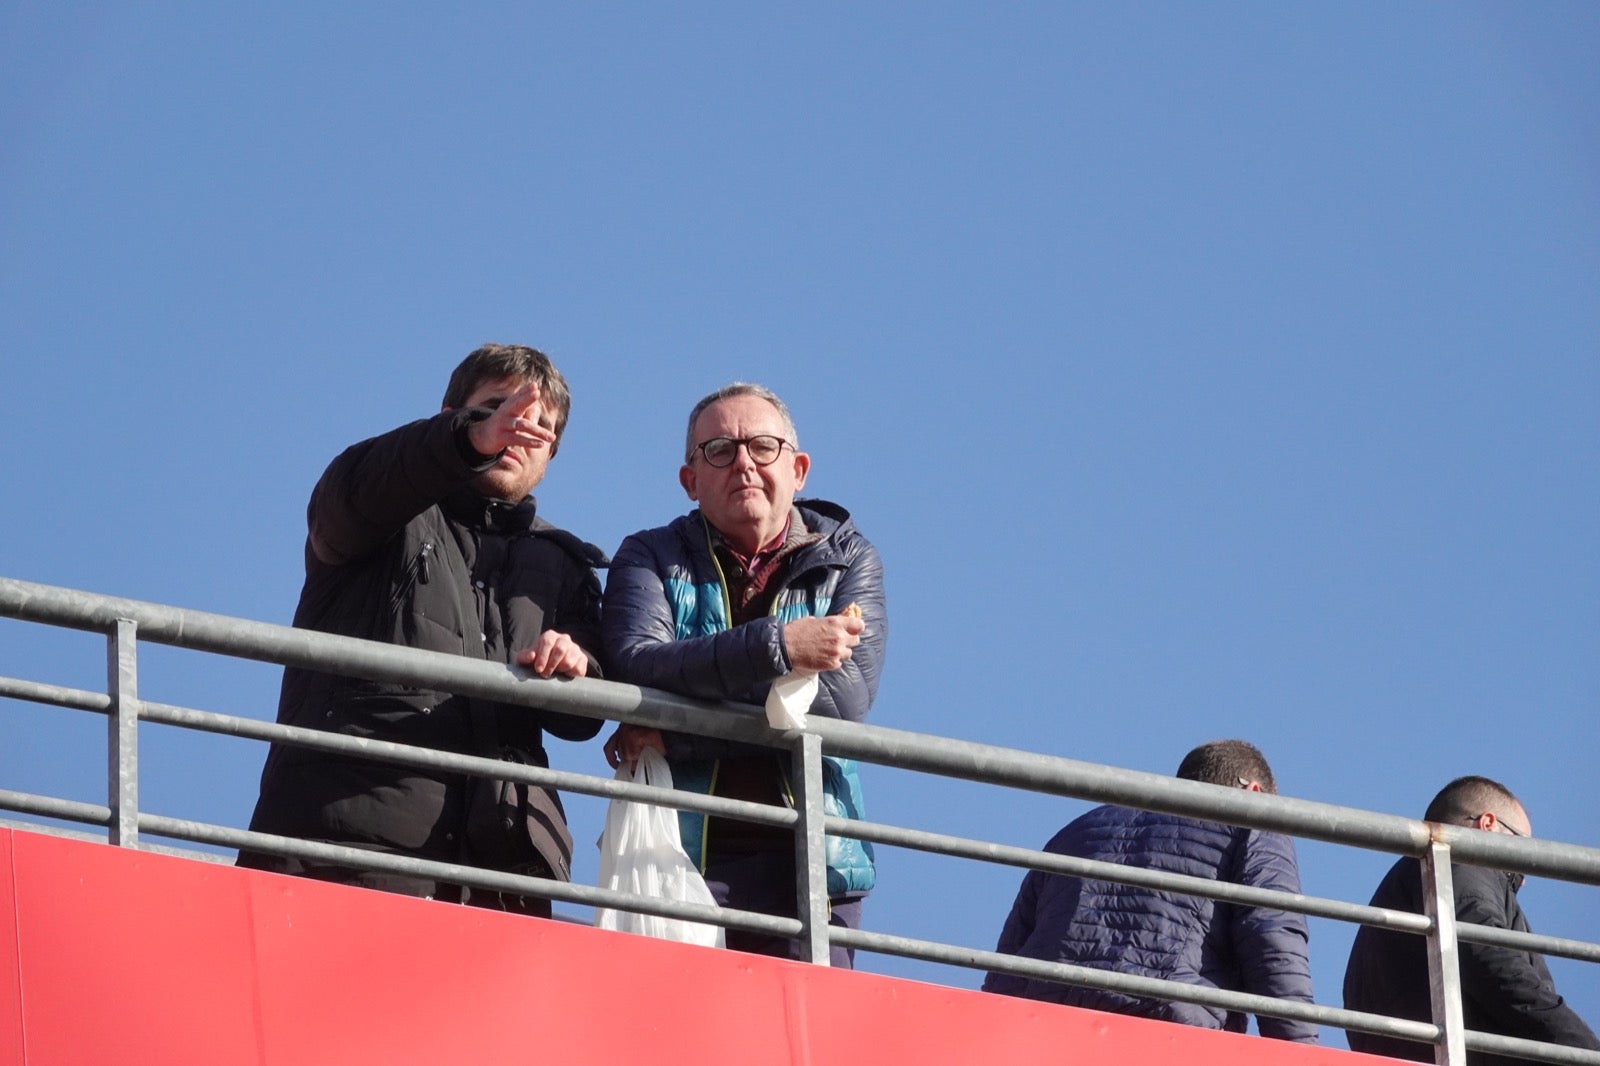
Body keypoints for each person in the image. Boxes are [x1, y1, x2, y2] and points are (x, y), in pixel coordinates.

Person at [239, 343, 606, 917]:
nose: (517, 429)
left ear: (551, 456)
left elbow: (582, 719)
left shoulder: (563, 565)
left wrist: (579, 663)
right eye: (497, 408)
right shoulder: (388, 508)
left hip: (502, 889)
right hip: (341, 860)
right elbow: (346, 506)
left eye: (540, 426)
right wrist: (466, 444)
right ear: (450, 417)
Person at [600, 382, 886, 968]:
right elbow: (637, 663)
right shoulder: (650, 555)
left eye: (763, 446)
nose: (744, 465)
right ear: (690, 480)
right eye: (720, 451)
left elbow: (842, 699)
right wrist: (780, 647)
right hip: (680, 854)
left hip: (814, 865)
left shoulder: (850, 558)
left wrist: (678, 729)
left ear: (798, 469)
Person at [981, 739, 1317, 1042]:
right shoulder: (1254, 826)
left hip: (1038, 1026)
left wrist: (991, 1033)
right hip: (1166, 1027)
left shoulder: (1076, 831)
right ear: (1256, 794)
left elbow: (1010, 955)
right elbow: (1272, 939)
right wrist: (1301, 1053)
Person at [1342, 775, 1600, 1063]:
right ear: (1487, 824)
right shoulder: (1461, 862)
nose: (1524, 880)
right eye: (1525, 852)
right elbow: (1492, 961)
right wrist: (1584, 1049)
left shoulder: (1408, 887)